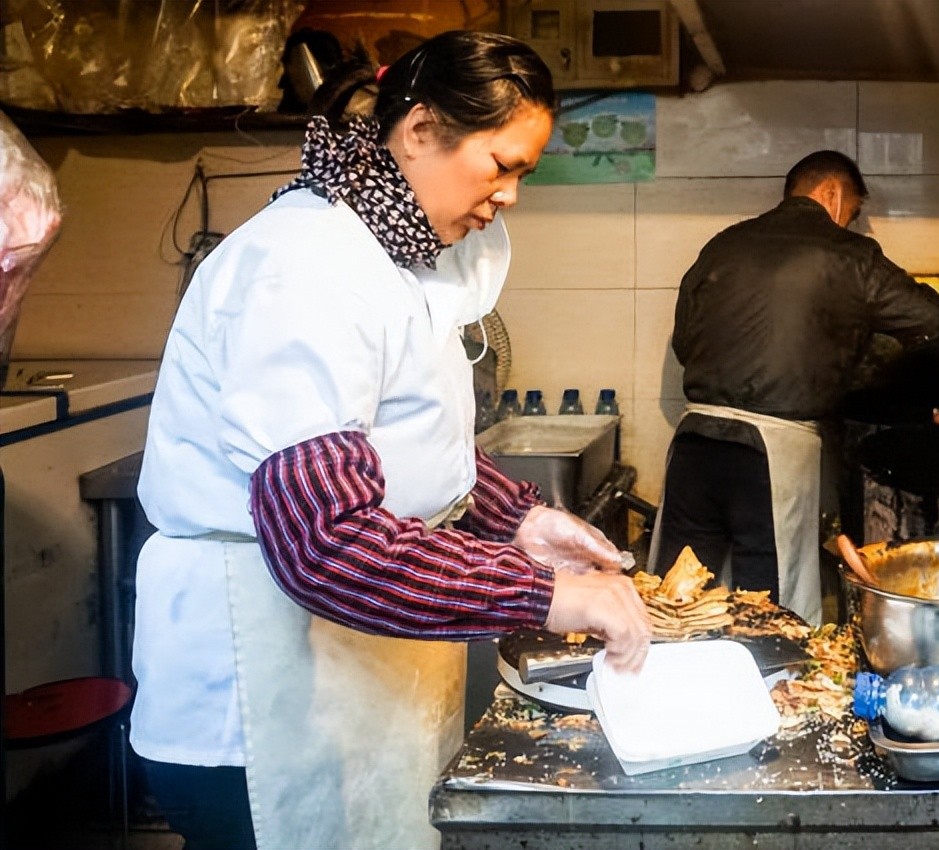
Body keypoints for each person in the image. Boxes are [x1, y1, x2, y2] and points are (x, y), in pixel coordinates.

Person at [130, 31, 650, 850]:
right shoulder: (303, 267)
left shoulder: (395, 259)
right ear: (418, 132)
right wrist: (546, 595)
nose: (511, 195)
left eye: (524, 174)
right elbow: (327, 542)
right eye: (502, 164)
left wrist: (516, 518)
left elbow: (395, 438)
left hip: (352, 681)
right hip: (266, 704)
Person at [652, 150, 939, 626]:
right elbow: (927, 320)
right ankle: (779, 694)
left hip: (693, 442)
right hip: (771, 452)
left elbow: (687, 340)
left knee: (673, 600)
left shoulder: (723, 245)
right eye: (852, 213)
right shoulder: (848, 256)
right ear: (831, 193)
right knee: (768, 612)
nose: (849, 225)